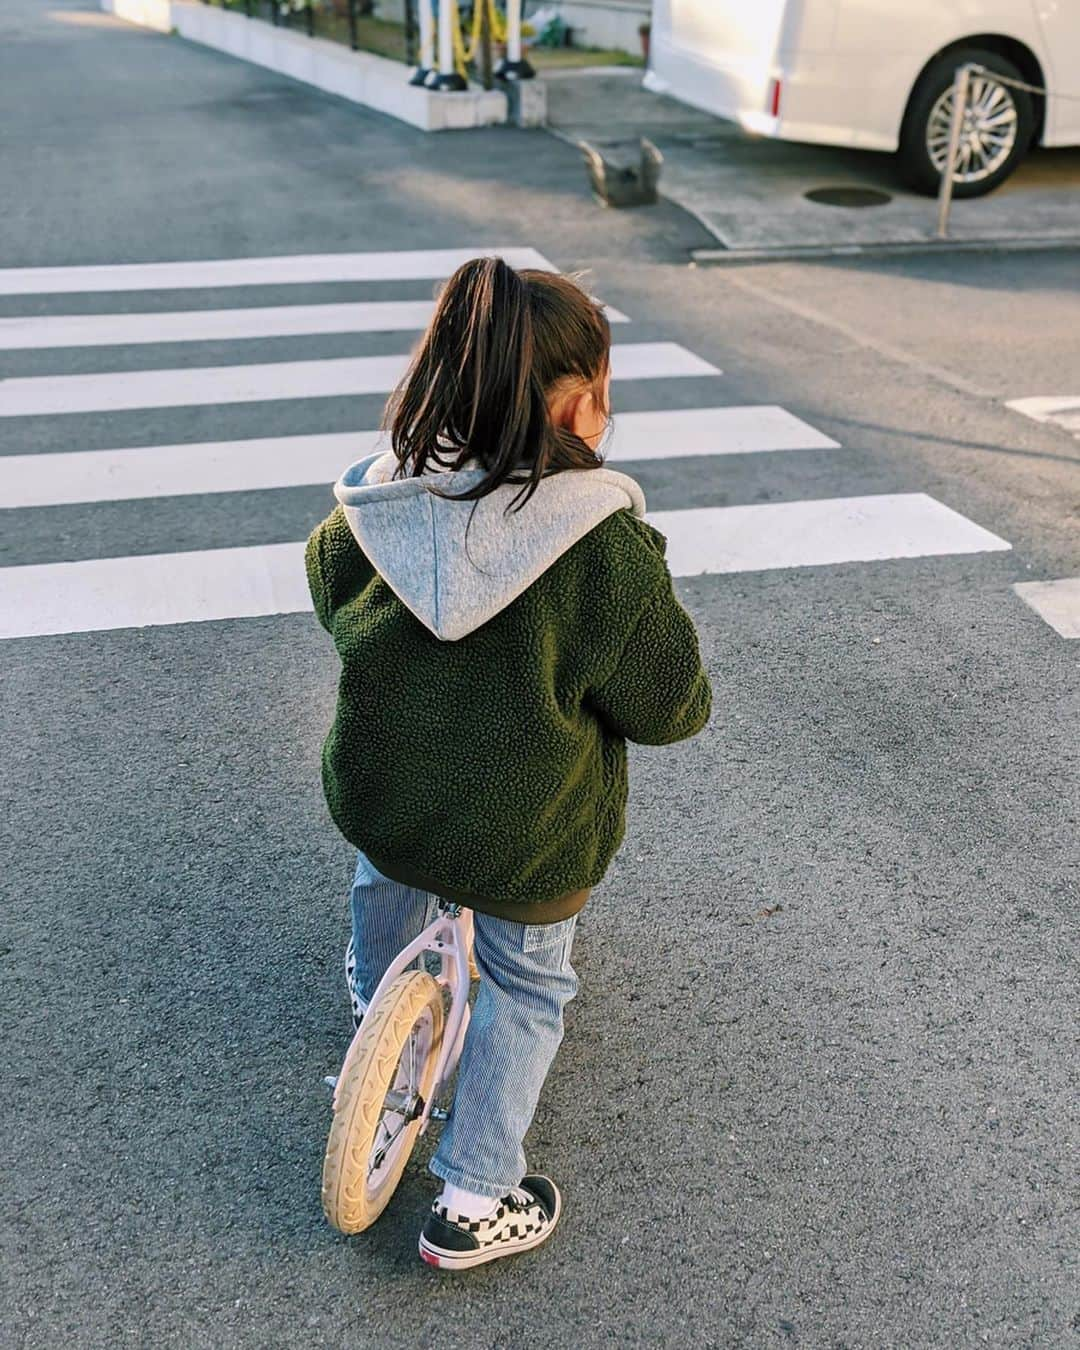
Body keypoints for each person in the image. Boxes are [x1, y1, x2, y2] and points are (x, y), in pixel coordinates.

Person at [304, 257, 712, 1269]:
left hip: (388, 796)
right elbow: (669, 708)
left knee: (387, 861)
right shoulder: (603, 554)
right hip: (528, 839)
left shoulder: (378, 511)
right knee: (526, 988)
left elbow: (326, 580)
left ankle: (376, 997)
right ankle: (477, 1195)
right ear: (578, 409)